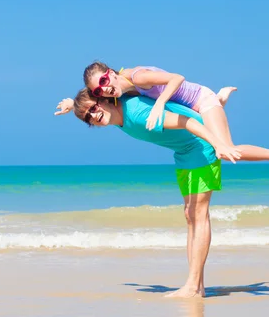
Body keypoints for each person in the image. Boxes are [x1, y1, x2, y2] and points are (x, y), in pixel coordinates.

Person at [70, 89, 228, 298]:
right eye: (88, 117)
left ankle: (193, 286)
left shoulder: (135, 112)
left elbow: (186, 122)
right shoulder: (117, 116)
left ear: (104, 100)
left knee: (199, 214)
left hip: (201, 146)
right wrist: (73, 105)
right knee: (190, 216)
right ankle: (197, 285)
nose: (94, 115)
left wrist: (218, 143)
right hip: (184, 153)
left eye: (93, 108)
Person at [56, 61, 269, 181]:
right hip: (187, 106)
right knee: (211, 132)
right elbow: (90, 101)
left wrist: (158, 104)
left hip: (200, 100)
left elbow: (177, 77)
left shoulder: (139, 77)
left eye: (104, 82)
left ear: (111, 73)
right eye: (98, 91)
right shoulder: (118, 89)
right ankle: (221, 101)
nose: (104, 90)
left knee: (225, 150)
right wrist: (72, 105)